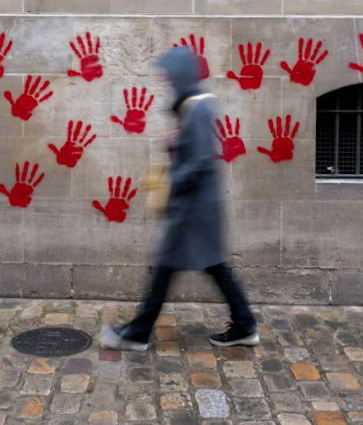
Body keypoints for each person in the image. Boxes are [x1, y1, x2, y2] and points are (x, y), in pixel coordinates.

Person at [100, 45, 259, 350]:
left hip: (192, 209)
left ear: (181, 75)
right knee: (213, 266)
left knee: (166, 267)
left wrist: (172, 182)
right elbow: (195, 155)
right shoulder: (194, 107)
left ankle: (136, 334)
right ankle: (245, 325)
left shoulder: (197, 108)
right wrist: (175, 146)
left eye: (169, 76)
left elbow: (201, 161)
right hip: (198, 207)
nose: (166, 81)